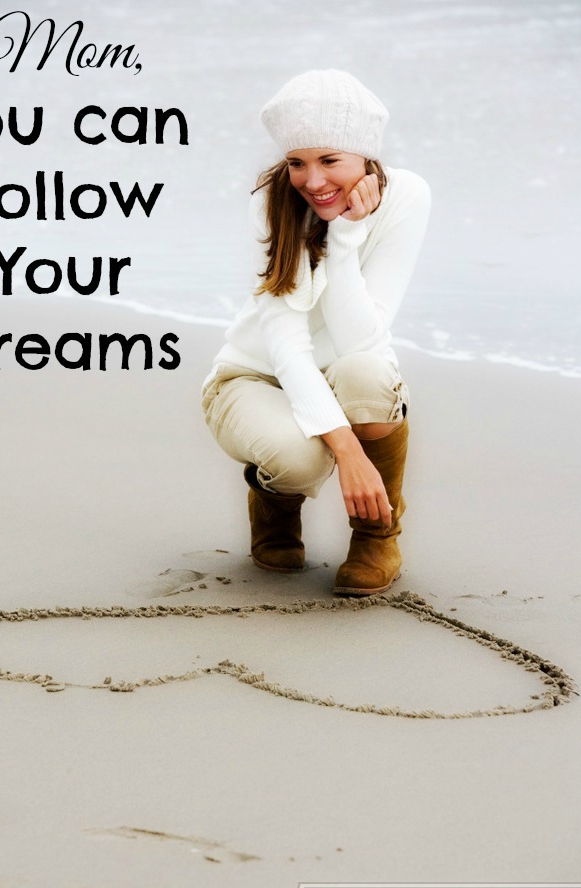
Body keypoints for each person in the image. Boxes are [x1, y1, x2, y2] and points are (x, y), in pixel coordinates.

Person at [201, 69, 431, 595]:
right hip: (251, 378)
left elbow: (359, 341)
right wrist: (348, 453)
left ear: (365, 155)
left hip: (342, 372)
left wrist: (346, 238)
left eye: (330, 160)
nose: (313, 180)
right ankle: (275, 504)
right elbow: (287, 350)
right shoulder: (276, 203)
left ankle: (377, 536)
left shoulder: (407, 197)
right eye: (297, 163)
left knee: (368, 373)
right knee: (300, 461)